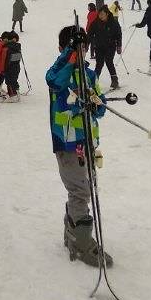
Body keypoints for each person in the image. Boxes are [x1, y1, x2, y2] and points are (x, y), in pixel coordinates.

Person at [45, 26, 111, 267]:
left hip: (88, 144)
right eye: (76, 48)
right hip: (67, 143)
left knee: (86, 189)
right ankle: (81, 242)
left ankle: (71, 228)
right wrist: (69, 57)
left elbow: (101, 108)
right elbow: (54, 83)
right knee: (80, 191)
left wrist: (96, 105)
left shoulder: (89, 75)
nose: (81, 53)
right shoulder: (59, 72)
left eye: (83, 48)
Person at [85, 6, 121, 90]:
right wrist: (87, 45)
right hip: (99, 46)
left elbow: (119, 35)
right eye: (99, 14)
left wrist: (119, 45)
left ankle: (114, 80)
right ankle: (94, 81)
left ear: (107, 14)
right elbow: (90, 34)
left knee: (109, 62)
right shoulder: (96, 22)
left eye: (102, 14)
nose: (100, 16)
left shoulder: (114, 23)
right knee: (99, 64)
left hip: (110, 46)